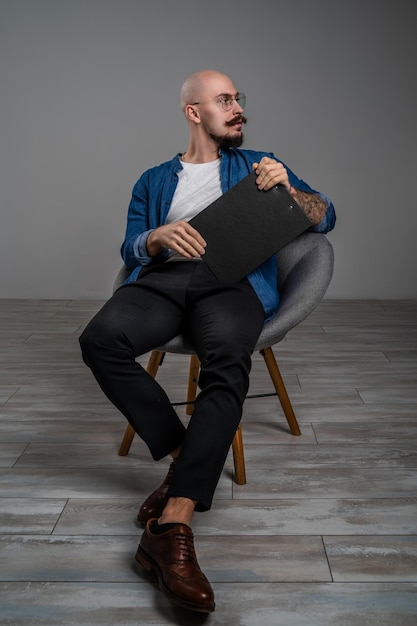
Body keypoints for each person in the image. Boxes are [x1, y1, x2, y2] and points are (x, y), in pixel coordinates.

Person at [79, 69, 336, 613]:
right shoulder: (153, 179)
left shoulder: (260, 165)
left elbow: (325, 217)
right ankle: (186, 458)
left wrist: (289, 188)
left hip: (232, 282)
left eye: (238, 98)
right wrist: (155, 236)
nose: (238, 107)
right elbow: (130, 245)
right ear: (194, 112)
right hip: (165, 280)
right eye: (225, 100)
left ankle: (174, 526)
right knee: (99, 339)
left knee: (228, 363)